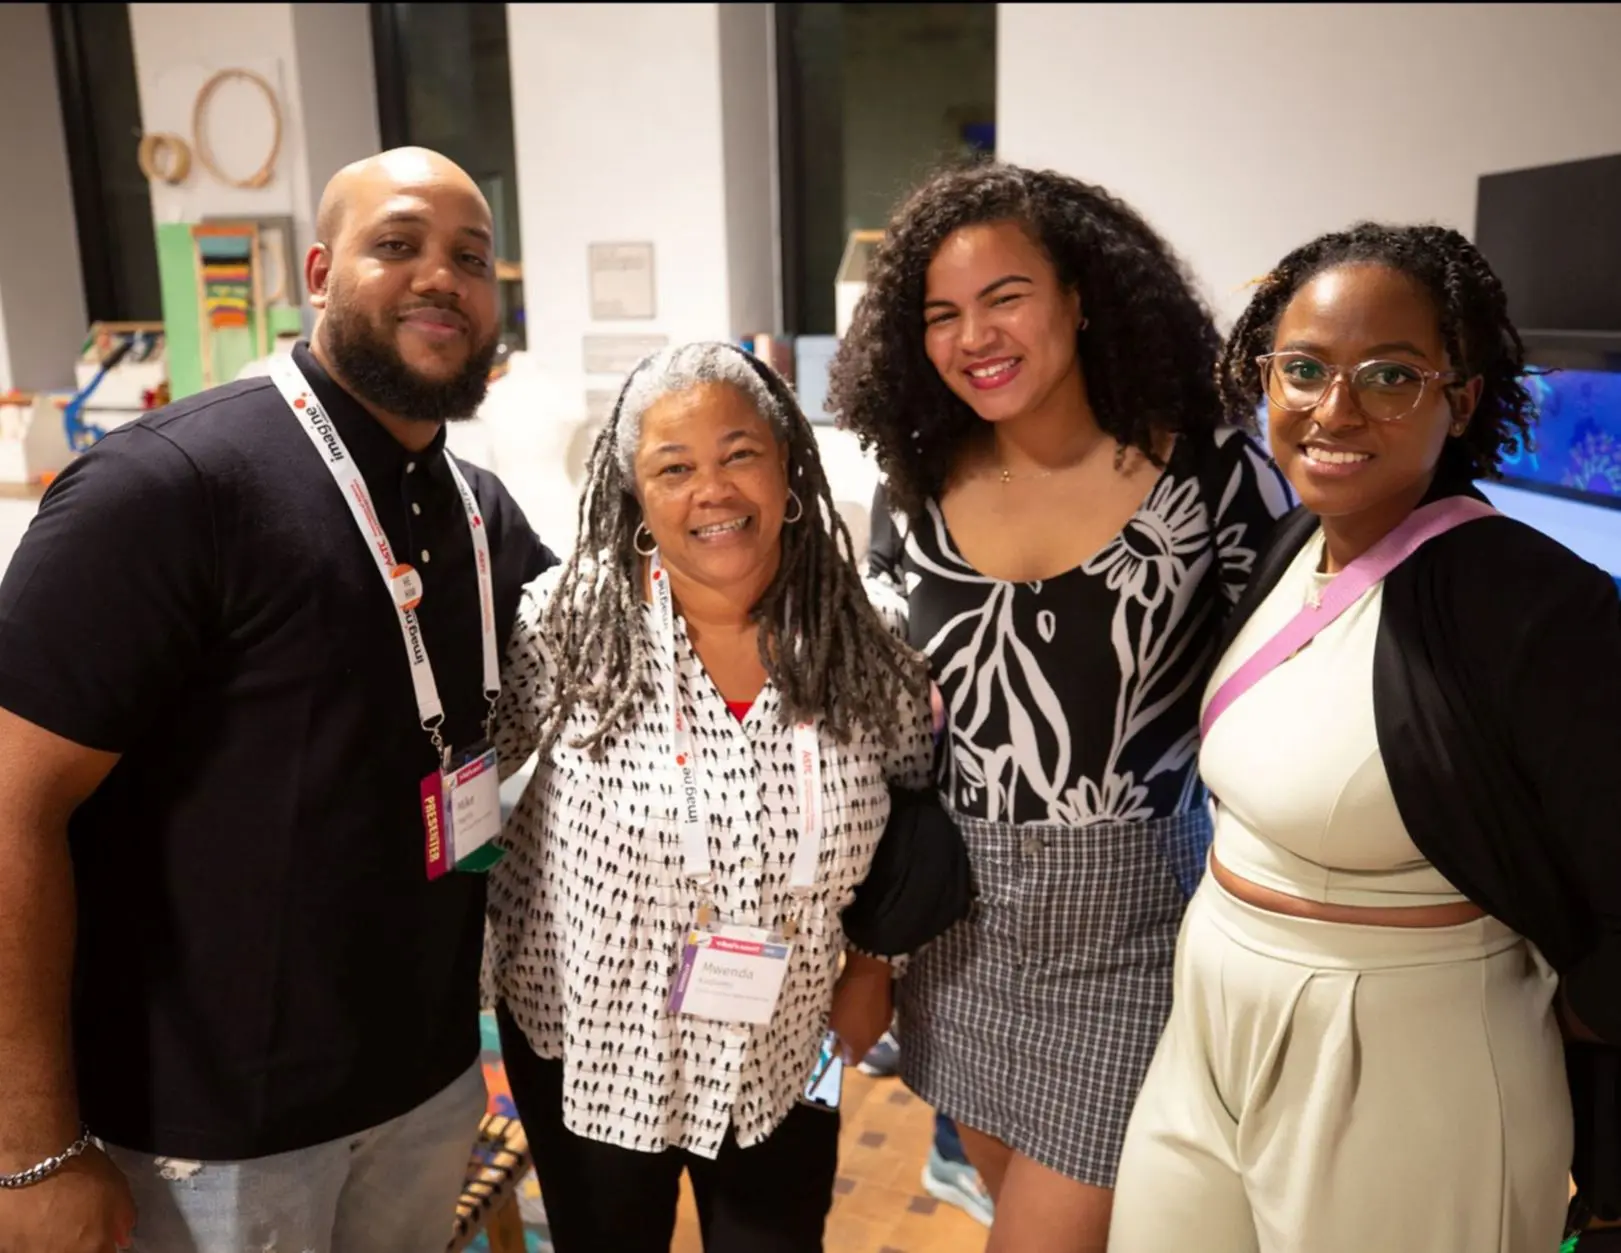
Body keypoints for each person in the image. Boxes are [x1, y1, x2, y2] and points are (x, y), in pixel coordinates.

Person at [0, 147, 555, 1253]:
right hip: (211, 1137)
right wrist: (30, 1147)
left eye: (470, 257)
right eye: (396, 244)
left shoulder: (478, 511)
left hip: (427, 1087)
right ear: (317, 270)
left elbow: (619, 653)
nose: (439, 276)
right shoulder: (168, 485)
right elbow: (11, 809)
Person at [1107, 222, 1621, 1252]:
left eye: (1390, 376)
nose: (1333, 409)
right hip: (1210, 1023)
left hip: (1407, 1066)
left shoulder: (1532, 604)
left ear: (1460, 397)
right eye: (1301, 369)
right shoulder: (1299, 540)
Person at [828, 161, 1293, 1253]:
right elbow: (894, 748)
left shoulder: (1212, 474)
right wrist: (868, 951)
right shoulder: (912, 489)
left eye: (1004, 297)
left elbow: (1292, 687)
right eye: (940, 313)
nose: (973, 335)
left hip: (1131, 940)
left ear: (1079, 296)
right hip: (960, 939)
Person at [485, 342, 937, 1253]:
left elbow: (912, 808)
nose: (713, 491)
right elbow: (467, 775)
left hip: (791, 1035)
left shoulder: (864, 634)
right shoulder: (570, 623)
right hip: (592, 1041)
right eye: (674, 467)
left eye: (738, 455)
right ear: (636, 496)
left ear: (787, 466)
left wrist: (873, 966)